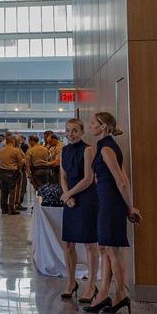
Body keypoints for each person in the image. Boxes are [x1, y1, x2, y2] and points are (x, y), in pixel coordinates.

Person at [83, 112, 141, 314]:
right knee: (105, 248)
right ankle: (104, 294)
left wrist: (130, 207)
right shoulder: (107, 146)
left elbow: (121, 181)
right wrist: (129, 206)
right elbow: (124, 178)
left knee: (112, 250)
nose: (90, 126)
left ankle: (121, 294)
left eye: (93, 123)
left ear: (103, 127)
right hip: (107, 202)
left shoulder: (107, 148)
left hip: (110, 203)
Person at [59, 118, 99, 302]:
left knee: (90, 244)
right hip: (70, 200)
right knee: (68, 243)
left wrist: (69, 194)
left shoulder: (88, 149)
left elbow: (89, 178)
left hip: (87, 199)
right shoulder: (64, 150)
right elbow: (63, 176)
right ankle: (70, 282)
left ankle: (91, 286)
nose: (70, 134)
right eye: (68, 130)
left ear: (82, 132)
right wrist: (67, 196)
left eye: (74, 130)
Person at [0, 134, 26, 214]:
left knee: (4, 191)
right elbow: (20, 163)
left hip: (2, 173)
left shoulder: (1, 150)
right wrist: (21, 164)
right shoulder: (16, 150)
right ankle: (11, 209)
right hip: (11, 173)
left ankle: (4, 209)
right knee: (12, 191)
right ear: (12, 141)